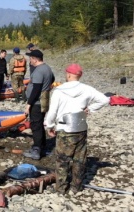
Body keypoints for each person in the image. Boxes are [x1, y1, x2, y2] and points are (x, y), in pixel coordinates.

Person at [44, 63, 110, 194]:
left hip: (64, 128)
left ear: (68, 74)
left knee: (62, 160)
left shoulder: (59, 91)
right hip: (80, 128)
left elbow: (52, 112)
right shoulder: (87, 89)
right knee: (79, 159)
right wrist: (90, 109)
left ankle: (61, 188)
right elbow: (104, 100)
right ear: (80, 76)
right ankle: (76, 187)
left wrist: (49, 125)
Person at [23, 50, 54, 160]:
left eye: (30, 58)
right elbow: (53, 79)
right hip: (43, 101)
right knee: (39, 124)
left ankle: (36, 150)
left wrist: (28, 104)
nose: (29, 60)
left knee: (35, 125)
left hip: (37, 102)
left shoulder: (39, 71)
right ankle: (42, 147)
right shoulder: (47, 68)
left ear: (35, 59)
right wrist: (47, 87)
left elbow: (36, 89)